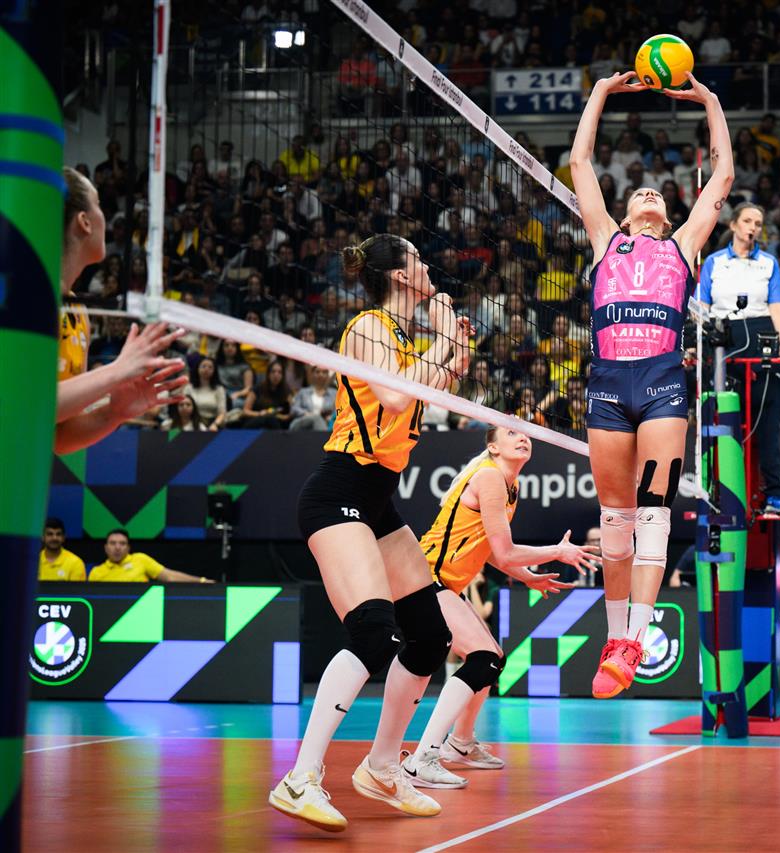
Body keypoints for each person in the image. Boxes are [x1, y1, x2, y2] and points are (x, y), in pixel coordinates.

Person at [269, 234, 472, 832]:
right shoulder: (368, 327)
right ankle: (300, 777)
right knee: (374, 632)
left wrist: (455, 351)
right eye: (418, 259)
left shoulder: (403, 337)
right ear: (398, 274)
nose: (428, 266)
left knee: (430, 634)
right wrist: (442, 339)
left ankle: (382, 767)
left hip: (377, 497)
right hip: (339, 490)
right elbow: (393, 396)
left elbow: (429, 394)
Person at [569, 70, 733, 700]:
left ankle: (634, 640)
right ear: (624, 211)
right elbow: (580, 162)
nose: (647, 195)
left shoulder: (684, 247)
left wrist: (709, 101)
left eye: (657, 195)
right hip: (609, 385)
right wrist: (601, 93)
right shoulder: (604, 241)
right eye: (639, 192)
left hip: (662, 383)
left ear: (666, 215)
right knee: (614, 523)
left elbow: (722, 178)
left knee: (653, 515)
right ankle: (614, 639)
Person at [401, 427, 597, 788]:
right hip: (424, 577)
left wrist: (528, 577)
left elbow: (490, 550)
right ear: (493, 446)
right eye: (511, 433)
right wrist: (557, 551)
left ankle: (460, 743)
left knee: (491, 660)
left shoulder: (510, 485)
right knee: (484, 658)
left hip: (442, 582)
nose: (523, 438)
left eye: (526, 434)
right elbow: (505, 552)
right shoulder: (489, 477)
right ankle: (422, 759)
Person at [54, 168, 187, 454]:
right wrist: (118, 370)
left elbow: (57, 435)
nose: (105, 216)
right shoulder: (26, 294)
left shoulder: (76, 311)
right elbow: (26, 404)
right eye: (99, 204)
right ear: (84, 222)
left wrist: (113, 413)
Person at [699, 203, 780, 513]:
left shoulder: (768, 263)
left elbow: (777, 306)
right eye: (748, 221)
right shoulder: (714, 262)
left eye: (758, 223)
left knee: (768, 425)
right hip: (722, 341)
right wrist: (696, 345)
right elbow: (702, 307)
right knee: (724, 421)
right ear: (733, 225)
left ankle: (775, 493)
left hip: (762, 336)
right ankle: (716, 490)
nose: (753, 227)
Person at [88, 529, 212, 583]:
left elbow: (170, 576)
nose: (117, 547)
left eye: (122, 543)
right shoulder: (96, 572)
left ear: (128, 548)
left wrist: (201, 581)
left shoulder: (140, 560)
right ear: (106, 547)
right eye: (113, 543)